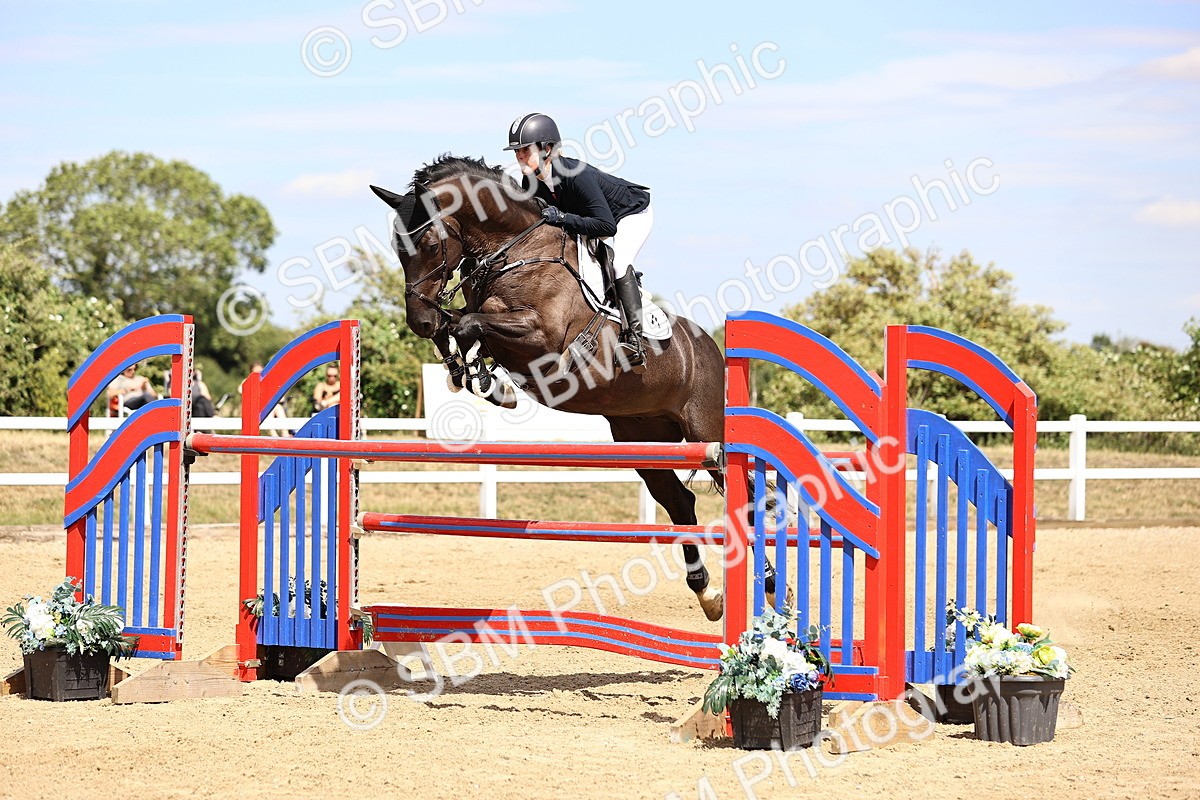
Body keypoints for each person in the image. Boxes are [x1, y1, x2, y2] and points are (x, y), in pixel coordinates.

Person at [504, 112, 652, 368]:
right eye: (517, 151)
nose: (519, 156)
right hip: (591, 219)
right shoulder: (530, 181)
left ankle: (634, 339)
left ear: (547, 149)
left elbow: (606, 227)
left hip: (629, 214)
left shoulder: (577, 175)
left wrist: (562, 218)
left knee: (619, 263)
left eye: (525, 149)